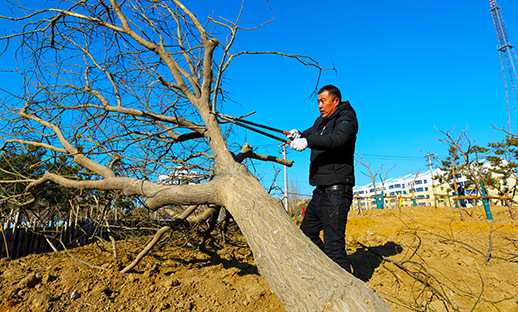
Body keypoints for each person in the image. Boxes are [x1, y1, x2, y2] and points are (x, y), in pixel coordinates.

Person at [287, 84, 358, 273]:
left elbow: (339, 139)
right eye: (318, 101)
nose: (319, 105)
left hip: (337, 192)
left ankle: (350, 292)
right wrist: (298, 134)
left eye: (323, 101)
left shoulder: (346, 118)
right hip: (320, 192)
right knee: (307, 235)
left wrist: (307, 141)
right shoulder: (321, 121)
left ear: (335, 101)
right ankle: (329, 270)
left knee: (335, 248)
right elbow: (310, 133)